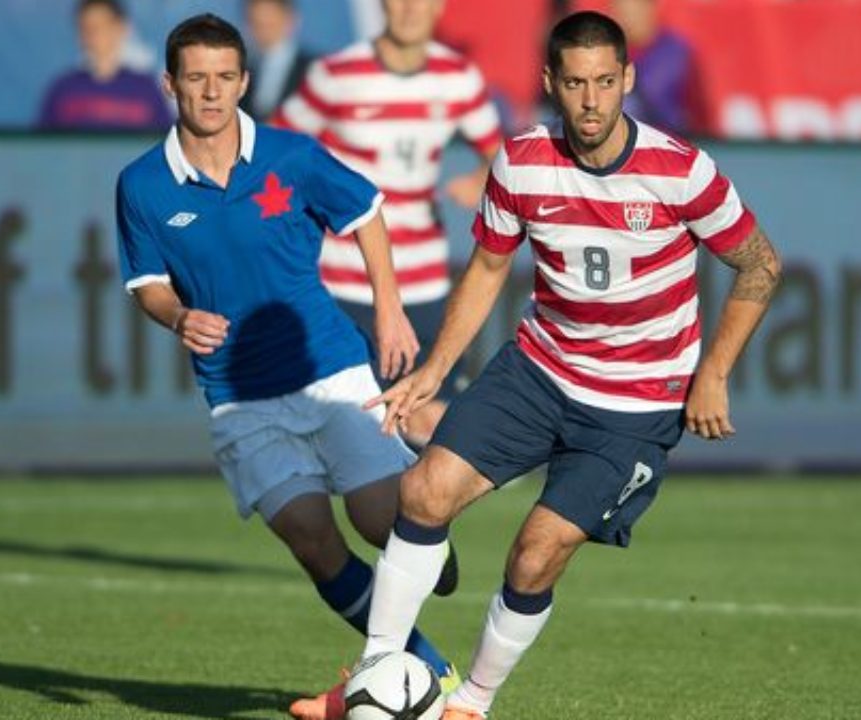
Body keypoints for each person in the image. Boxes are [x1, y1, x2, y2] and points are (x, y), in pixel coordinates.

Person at [292, 10, 782, 720]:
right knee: (424, 491)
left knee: (535, 553)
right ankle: (375, 676)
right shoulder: (521, 159)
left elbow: (761, 265)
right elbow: (490, 268)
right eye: (576, 83)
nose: (591, 101)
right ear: (551, 82)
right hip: (539, 372)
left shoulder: (679, 170)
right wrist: (435, 369)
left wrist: (712, 372)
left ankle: (471, 705)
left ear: (628, 80)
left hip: (635, 406)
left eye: (606, 82)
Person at [113, 14, 461, 719]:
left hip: (329, 369)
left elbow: (364, 213)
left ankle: (428, 543)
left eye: (223, 77)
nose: (210, 92)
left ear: (243, 82)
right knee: (310, 538)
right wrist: (177, 315)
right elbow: (146, 282)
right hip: (238, 396)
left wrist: (390, 310)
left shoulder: (291, 155)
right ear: (170, 83)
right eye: (195, 77)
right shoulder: (142, 184)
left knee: (378, 520)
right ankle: (425, 667)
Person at [276, 0, 503, 447]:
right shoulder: (336, 75)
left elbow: (500, 156)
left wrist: (481, 179)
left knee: (429, 427)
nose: (410, 9)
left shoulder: (458, 77)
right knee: (358, 435)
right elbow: (278, 150)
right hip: (347, 283)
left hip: (424, 282)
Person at [37, 0, 173, 131]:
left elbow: (165, 144)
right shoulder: (62, 90)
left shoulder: (145, 88)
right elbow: (42, 147)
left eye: (100, 25)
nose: (93, 33)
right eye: (85, 27)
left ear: (122, 28)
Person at [610, 0, 707, 137]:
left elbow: (701, 115)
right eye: (622, 10)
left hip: (669, 145)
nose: (628, 17)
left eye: (635, 9)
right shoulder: (606, 55)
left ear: (651, 8)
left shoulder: (677, 53)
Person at [240, 0, 314, 120]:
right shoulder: (241, 71)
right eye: (256, 24)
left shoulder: (314, 69)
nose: (263, 31)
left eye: (270, 24)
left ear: (290, 20)